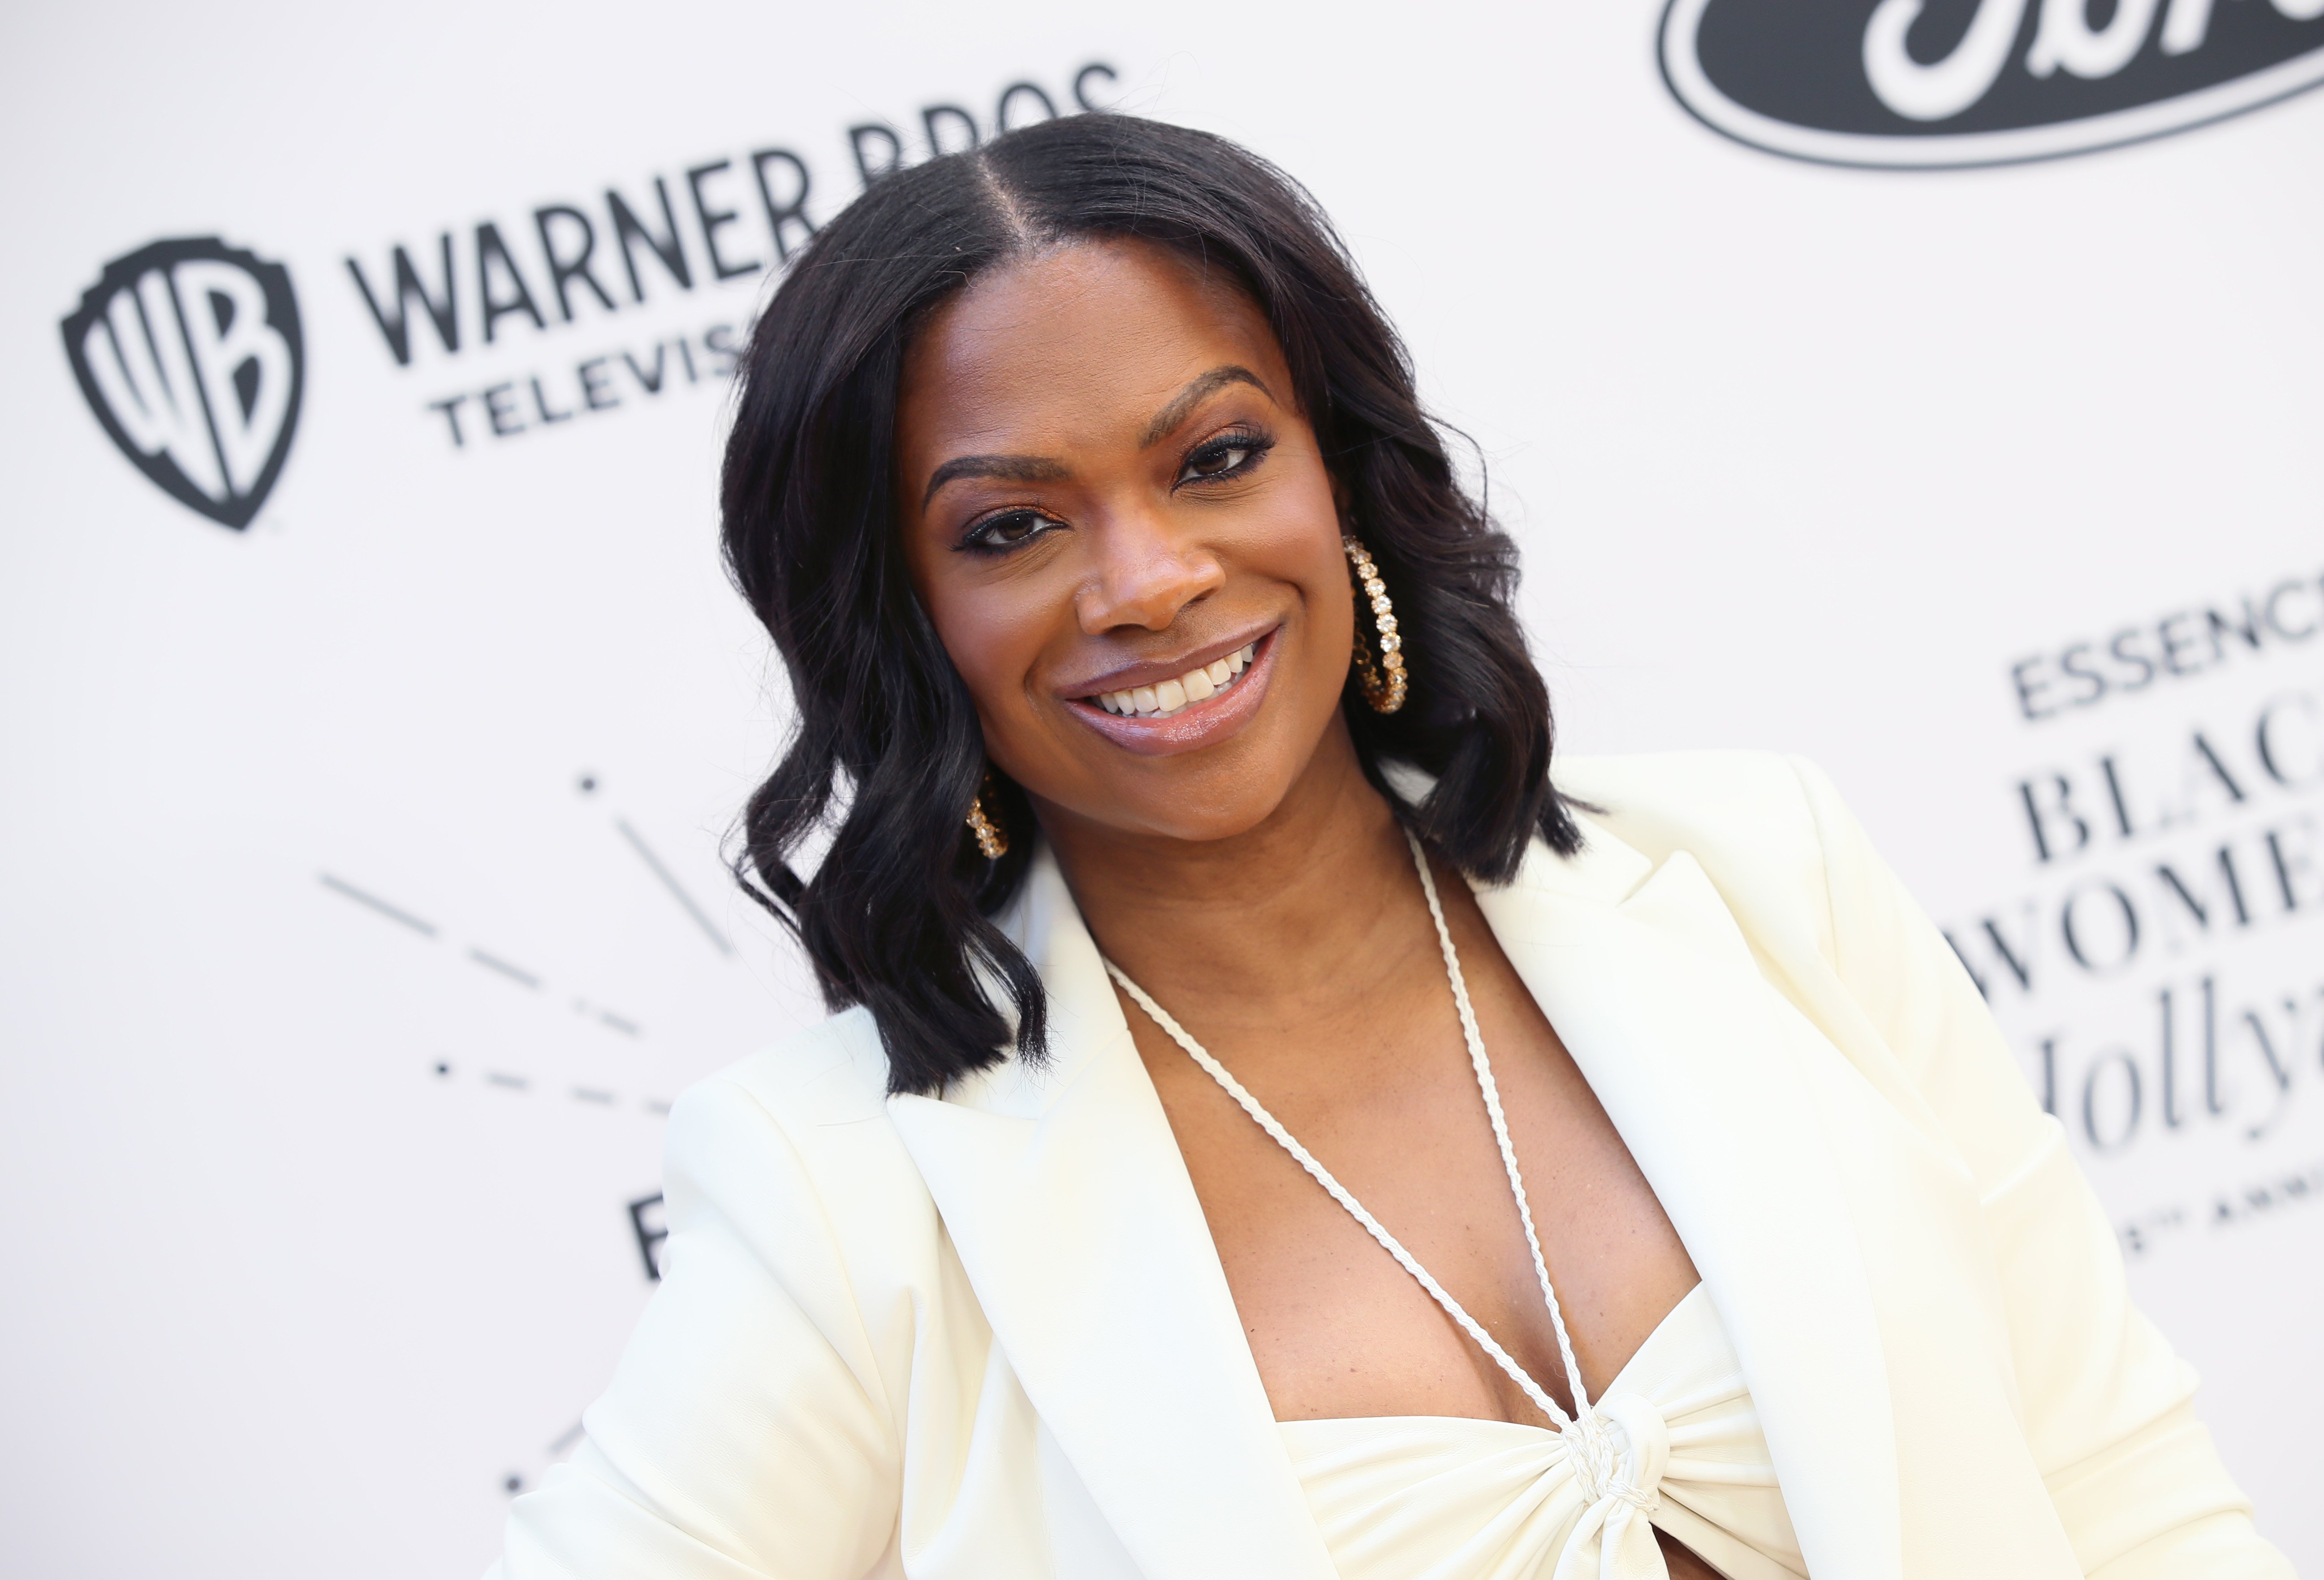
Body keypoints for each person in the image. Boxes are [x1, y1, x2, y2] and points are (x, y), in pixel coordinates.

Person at [490, 112, 2288, 1580]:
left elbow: (2121, 1497)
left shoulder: (1764, 877)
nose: (1148, 581)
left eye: (1212, 459)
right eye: (1013, 526)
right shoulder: (847, 1194)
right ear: (906, 619)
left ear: (1339, 474)